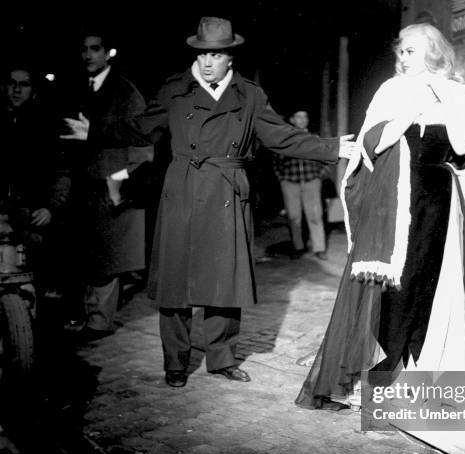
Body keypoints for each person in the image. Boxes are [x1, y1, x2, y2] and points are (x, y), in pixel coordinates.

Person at [70, 16, 355, 388]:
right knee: (177, 283)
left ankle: (221, 359)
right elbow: (139, 126)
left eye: (216, 55)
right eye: (202, 53)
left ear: (230, 57)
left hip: (226, 190)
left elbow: (281, 136)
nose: (207, 62)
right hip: (183, 190)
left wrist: (331, 148)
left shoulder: (250, 95)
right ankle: (175, 362)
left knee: (224, 280)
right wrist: (95, 131)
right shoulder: (175, 89)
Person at [295, 23, 465, 413]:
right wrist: (411, 111)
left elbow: (463, 155)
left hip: (436, 204)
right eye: (400, 51)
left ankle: (420, 378)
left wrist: (452, 114)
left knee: (428, 286)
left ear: (433, 52)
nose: (402, 57)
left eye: (411, 50)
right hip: (393, 205)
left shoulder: (458, 93)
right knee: (392, 289)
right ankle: (381, 377)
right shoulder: (391, 91)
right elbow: (368, 144)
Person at [60, 28, 151, 341]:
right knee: (85, 254)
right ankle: (86, 315)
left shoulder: (125, 92)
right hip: (80, 184)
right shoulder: (76, 87)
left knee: (107, 257)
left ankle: (99, 321)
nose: (88, 55)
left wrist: (120, 180)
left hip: (110, 185)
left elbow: (143, 138)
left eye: (95, 49)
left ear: (108, 52)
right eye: (84, 49)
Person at [1, 65, 67, 288]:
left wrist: (51, 208)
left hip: (31, 218)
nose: (17, 90)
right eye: (12, 83)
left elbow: (62, 172)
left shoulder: (46, 128)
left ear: (33, 91)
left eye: (24, 84)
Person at [273, 110, 328, 260]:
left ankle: (319, 248)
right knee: (294, 217)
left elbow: (324, 158)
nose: (302, 120)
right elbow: (276, 160)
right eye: (298, 116)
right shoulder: (284, 139)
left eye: (305, 116)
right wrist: (282, 177)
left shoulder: (314, 138)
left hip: (311, 180)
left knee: (315, 215)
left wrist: (319, 174)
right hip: (290, 182)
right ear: (292, 119)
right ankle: (298, 247)